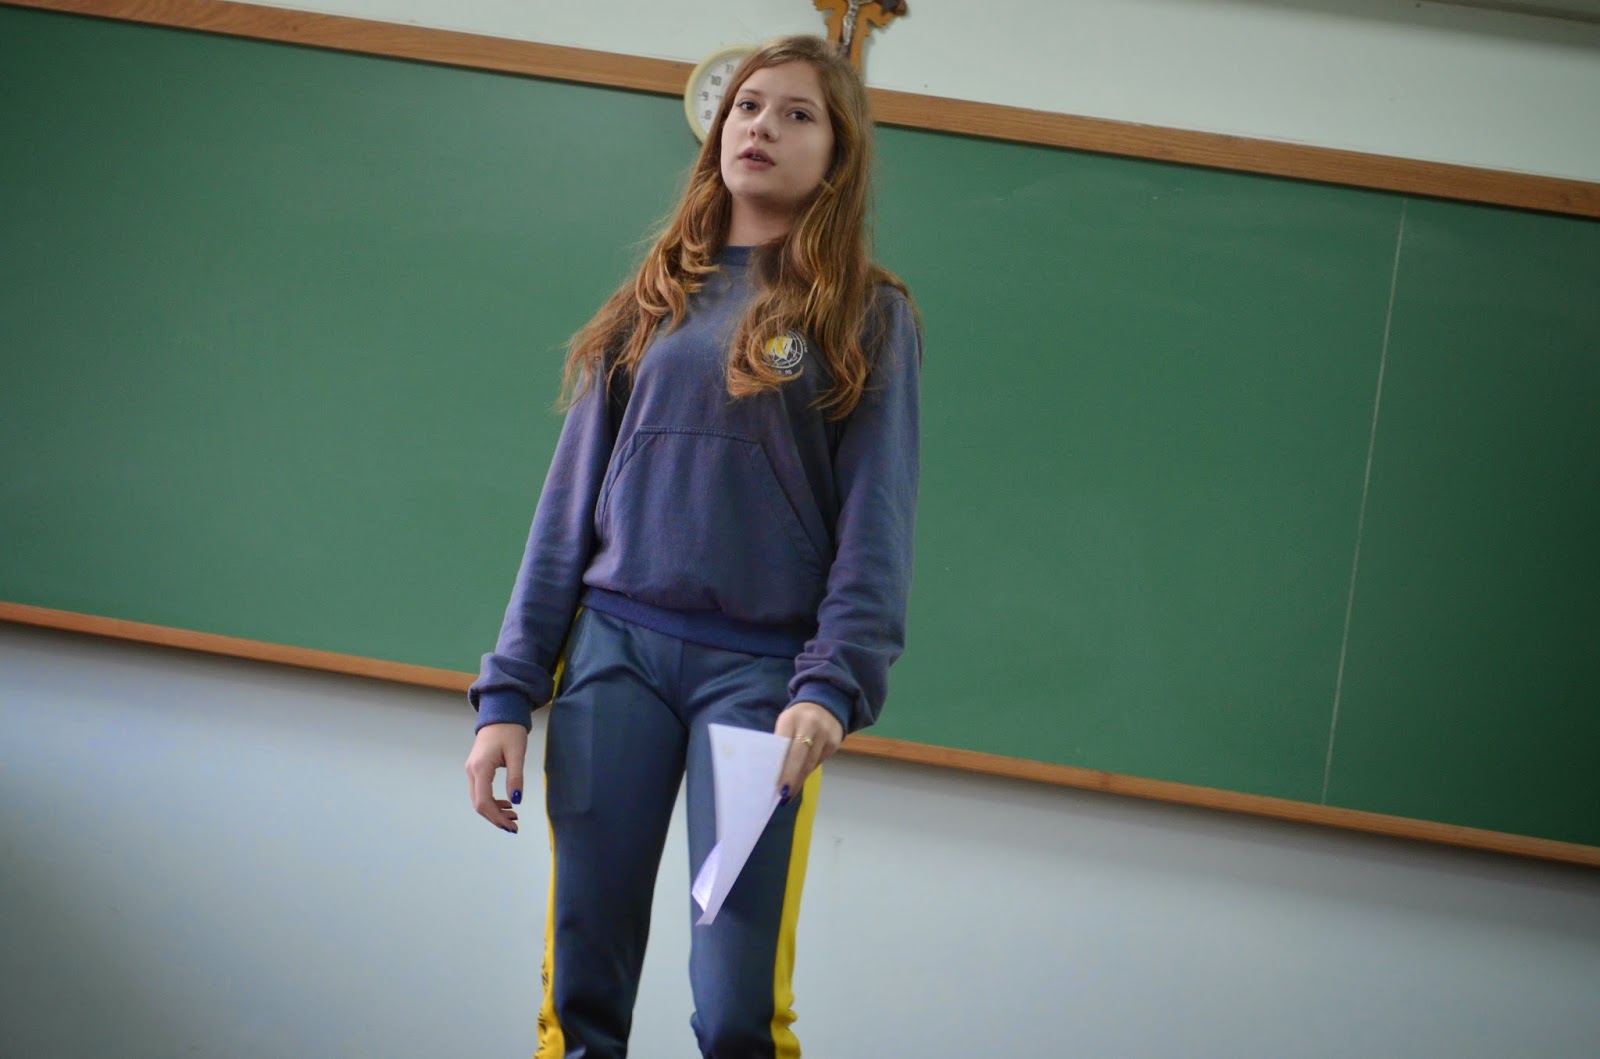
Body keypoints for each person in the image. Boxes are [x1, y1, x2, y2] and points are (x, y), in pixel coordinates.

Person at [464, 33, 921, 1059]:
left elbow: (877, 525)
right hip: (614, 662)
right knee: (580, 990)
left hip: (762, 686)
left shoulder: (869, 314)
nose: (761, 126)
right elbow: (564, 512)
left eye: (797, 114)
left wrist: (829, 687)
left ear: (838, 155)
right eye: (747, 107)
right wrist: (506, 695)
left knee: (736, 1011)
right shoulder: (656, 295)